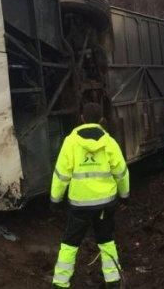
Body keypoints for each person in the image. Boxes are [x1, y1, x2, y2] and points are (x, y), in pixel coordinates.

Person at [50, 103, 129, 289]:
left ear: (82, 117)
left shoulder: (70, 141)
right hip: (105, 204)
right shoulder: (109, 142)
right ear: (102, 119)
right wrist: (125, 196)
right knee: (106, 241)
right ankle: (113, 282)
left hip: (79, 205)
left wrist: (55, 200)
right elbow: (121, 173)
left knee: (69, 245)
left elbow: (61, 175)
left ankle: (60, 284)